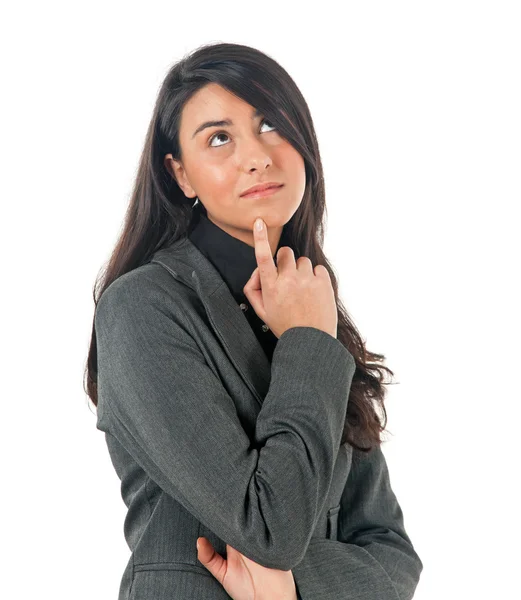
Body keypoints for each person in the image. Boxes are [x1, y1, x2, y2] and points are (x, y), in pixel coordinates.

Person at [84, 41, 423, 600]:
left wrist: (293, 589)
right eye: (219, 138)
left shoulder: (305, 303)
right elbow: (268, 528)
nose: (256, 155)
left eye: (270, 124)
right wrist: (310, 341)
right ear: (181, 174)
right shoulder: (142, 308)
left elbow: (391, 548)